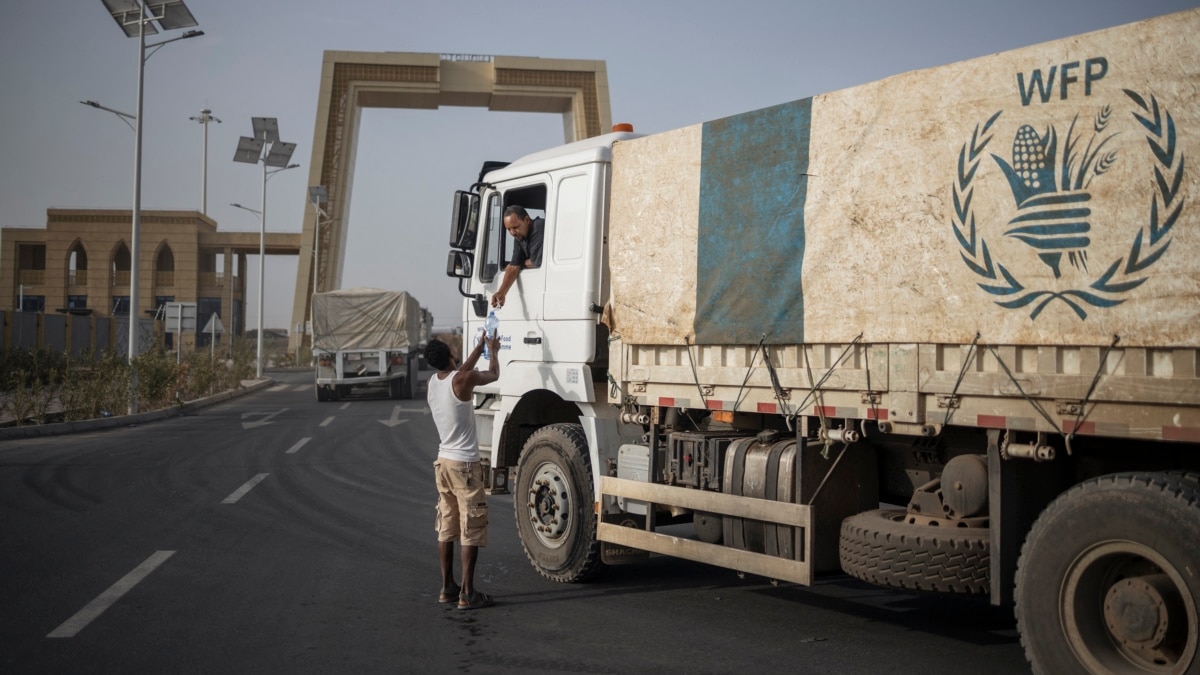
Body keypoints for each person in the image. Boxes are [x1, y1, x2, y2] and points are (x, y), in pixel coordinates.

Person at [424, 331, 501, 610]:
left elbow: (459, 373)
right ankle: (468, 593)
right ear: (450, 355)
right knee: (471, 525)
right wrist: (493, 351)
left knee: (446, 524)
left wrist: (478, 346)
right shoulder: (463, 379)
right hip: (465, 466)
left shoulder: (433, 383)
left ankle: (447, 587)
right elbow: (493, 374)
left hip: (442, 462)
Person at [490, 205, 544, 308]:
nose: (512, 233)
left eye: (515, 227)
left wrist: (522, 263)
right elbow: (514, 266)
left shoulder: (538, 228)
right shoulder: (520, 236)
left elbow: (535, 261)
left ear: (527, 220)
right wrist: (501, 293)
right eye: (509, 229)